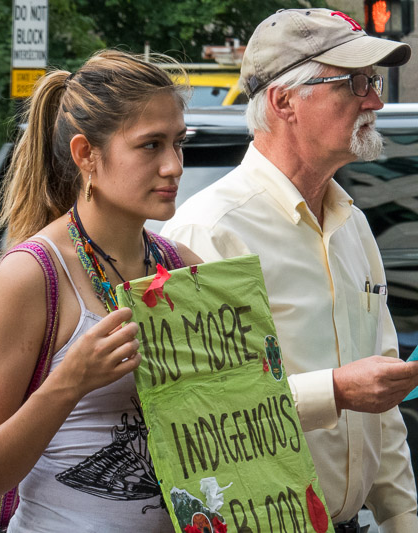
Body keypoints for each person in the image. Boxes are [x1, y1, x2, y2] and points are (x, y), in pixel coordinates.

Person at [162, 8, 417, 532]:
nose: (375, 100)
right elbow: (196, 416)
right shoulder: (209, 231)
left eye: (372, 82)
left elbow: (383, 411)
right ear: (283, 101)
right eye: (355, 83)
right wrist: (338, 391)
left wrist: (401, 517)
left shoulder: (353, 226)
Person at [0, 50, 201, 532]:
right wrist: (70, 382)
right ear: (86, 155)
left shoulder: (182, 267)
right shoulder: (31, 277)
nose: (173, 166)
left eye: (178, 143)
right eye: (150, 146)